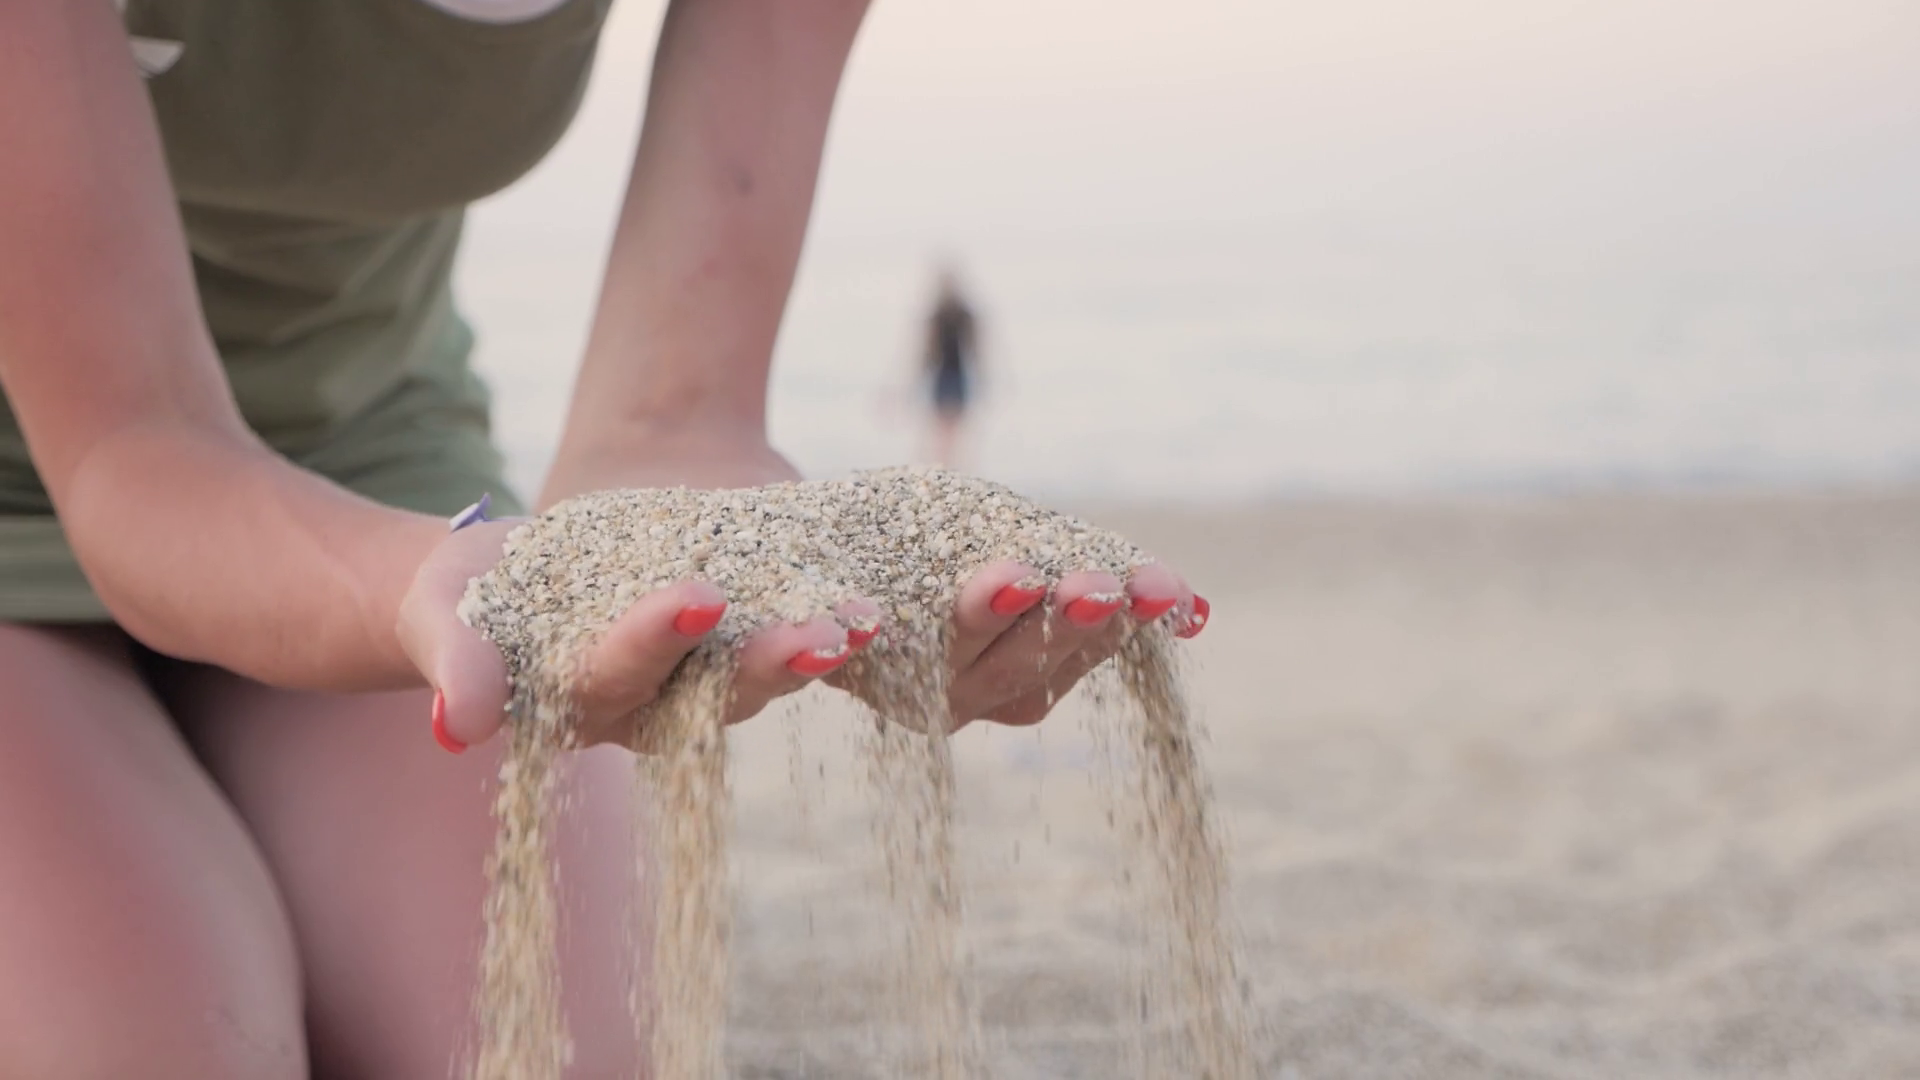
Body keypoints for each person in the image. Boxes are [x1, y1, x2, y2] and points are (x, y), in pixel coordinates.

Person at [0, 2, 1209, 1077]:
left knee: (537, 1054)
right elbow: (136, 449)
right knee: (162, 1048)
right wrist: (424, 592)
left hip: (363, 442)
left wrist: (731, 553)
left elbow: (667, 418)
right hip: (102, 463)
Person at [922, 265, 980, 468]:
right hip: (944, 374)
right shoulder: (937, 315)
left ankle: (949, 465)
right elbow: (927, 351)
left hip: (956, 374)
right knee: (942, 427)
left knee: (953, 427)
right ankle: (944, 465)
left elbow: (975, 347)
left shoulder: (964, 315)